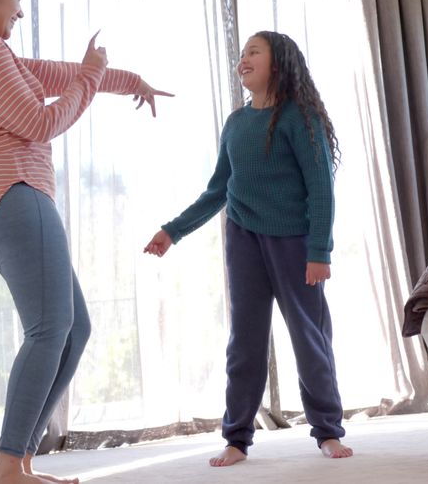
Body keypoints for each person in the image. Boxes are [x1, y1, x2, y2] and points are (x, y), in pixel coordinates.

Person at [0, 0, 171, 484]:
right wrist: (89, 81)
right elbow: (40, 122)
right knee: (50, 329)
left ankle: (18, 460)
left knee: (72, 328)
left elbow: (66, 75)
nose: (21, 9)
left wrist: (132, 80)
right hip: (13, 194)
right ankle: (7, 469)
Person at [144, 31, 352, 467]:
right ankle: (237, 437)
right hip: (244, 241)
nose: (244, 59)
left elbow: (321, 188)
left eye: (253, 52)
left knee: (309, 338)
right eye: (241, 54)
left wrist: (320, 250)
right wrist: (173, 230)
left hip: (296, 243)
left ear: (278, 62)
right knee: (245, 342)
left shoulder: (300, 116)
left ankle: (328, 431)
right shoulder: (236, 123)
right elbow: (218, 190)